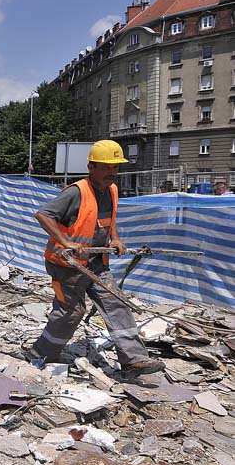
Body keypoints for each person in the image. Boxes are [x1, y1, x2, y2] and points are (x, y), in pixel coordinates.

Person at [28, 139, 165, 378]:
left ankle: (134, 359)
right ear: (92, 166)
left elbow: (107, 221)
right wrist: (68, 243)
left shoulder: (111, 190)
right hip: (66, 265)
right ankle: (41, 354)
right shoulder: (76, 192)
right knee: (71, 312)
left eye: (115, 167)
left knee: (116, 303)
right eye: (106, 167)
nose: (112, 172)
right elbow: (43, 215)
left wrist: (115, 239)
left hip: (96, 263)